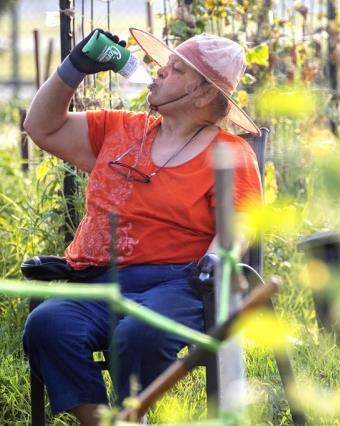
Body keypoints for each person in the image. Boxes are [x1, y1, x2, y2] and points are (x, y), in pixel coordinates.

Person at [22, 28, 262, 425]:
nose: (158, 73)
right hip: (105, 281)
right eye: (164, 66)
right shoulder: (120, 131)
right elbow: (42, 127)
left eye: (176, 69)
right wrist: (74, 68)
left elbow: (238, 226)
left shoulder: (229, 153)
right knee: (48, 324)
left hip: (181, 285)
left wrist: (218, 257)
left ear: (203, 94)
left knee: (138, 335)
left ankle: (135, 415)